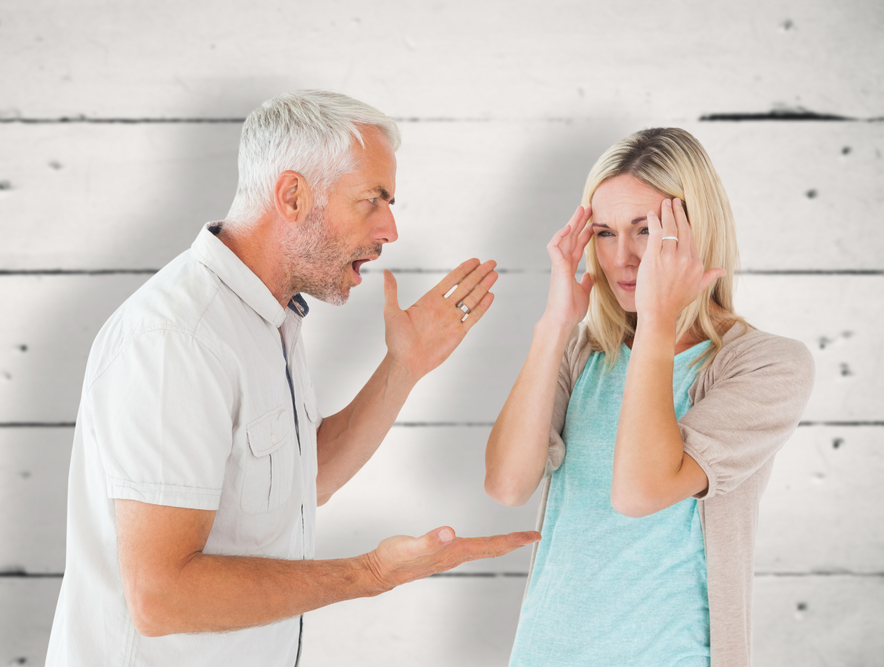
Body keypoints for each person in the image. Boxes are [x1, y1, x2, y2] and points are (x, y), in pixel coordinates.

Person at [45, 90, 539, 666]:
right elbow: (162, 596)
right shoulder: (177, 340)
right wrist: (370, 574)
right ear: (293, 195)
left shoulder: (266, 320)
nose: (391, 229)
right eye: (371, 201)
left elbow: (308, 480)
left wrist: (403, 368)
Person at [484, 127, 814, 667]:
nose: (623, 258)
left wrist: (659, 323)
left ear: (698, 230)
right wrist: (554, 325)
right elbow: (506, 484)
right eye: (607, 233)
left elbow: (639, 493)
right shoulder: (584, 353)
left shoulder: (767, 365)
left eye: (646, 230)